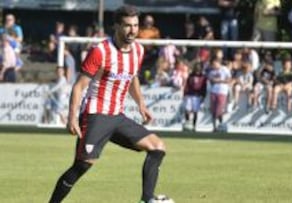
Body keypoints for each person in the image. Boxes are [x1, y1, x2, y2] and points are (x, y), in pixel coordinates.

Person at [48, 6, 166, 203]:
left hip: (117, 116)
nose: (133, 30)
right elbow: (79, 86)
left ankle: (147, 199)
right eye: (127, 26)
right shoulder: (100, 51)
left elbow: (132, 78)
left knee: (157, 147)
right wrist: (71, 117)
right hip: (95, 115)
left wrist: (141, 105)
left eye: (135, 25)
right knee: (82, 166)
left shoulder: (138, 50)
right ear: (117, 26)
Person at [183, 62, 207, 131]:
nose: (197, 71)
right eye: (196, 69)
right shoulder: (190, 76)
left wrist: (203, 95)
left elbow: (204, 87)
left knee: (195, 111)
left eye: (198, 70)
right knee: (187, 110)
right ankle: (187, 122)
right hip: (189, 94)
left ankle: (194, 126)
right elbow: (187, 85)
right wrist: (185, 94)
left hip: (197, 96)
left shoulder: (203, 77)